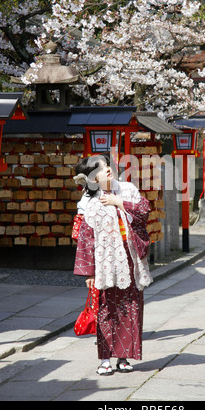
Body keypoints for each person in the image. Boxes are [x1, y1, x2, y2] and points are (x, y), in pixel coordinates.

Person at [73, 154, 152, 376]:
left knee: (130, 309)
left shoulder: (127, 189)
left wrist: (120, 202)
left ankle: (124, 357)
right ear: (92, 178)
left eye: (107, 165)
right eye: (100, 168)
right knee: (105, 311)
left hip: (129, 258)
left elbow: (144, 211)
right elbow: (86, 239)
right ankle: (105, 359)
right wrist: (89, 272)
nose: (107, 169)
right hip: (104, 263)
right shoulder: (89, 201)